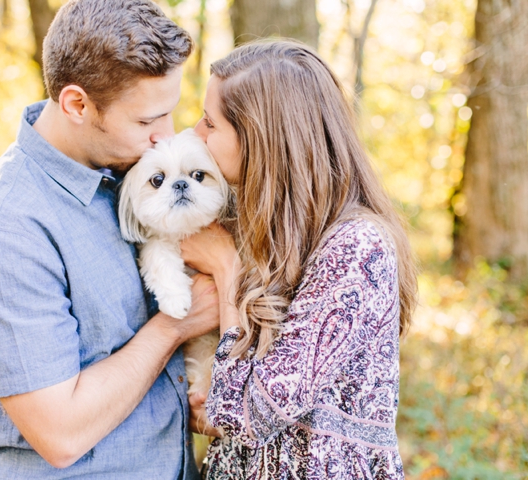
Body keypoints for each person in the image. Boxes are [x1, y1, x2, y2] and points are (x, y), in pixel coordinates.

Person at [0, 0, 218, 478]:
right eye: (147, 121)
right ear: (76, 104)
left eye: (169, 115)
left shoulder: (126, 172)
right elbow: (61, 433)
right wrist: (176, 325)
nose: (164, 136)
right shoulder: (4, 233)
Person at [182, 40, 418, 478]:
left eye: (210, 122)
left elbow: (247, 414)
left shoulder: (357, 248)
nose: (196, 132)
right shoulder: (256, 228)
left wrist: (227, 270)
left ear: (260, 139)